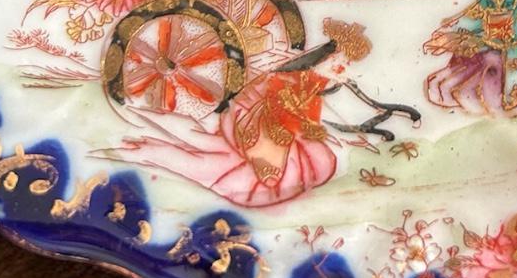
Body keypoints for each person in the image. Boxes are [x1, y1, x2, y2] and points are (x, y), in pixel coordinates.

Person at [123, 17, 376, 207]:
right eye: (340, 62)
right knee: (283, 171)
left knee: (322, 159)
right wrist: (293, 122)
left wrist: (308, 126)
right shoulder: (291, 76)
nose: (342, 70)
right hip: (258, 121)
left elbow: (308, 113)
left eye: (345, 65)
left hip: (285, 128)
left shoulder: (316, 82)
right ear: (326, 57)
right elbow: (273, 103)